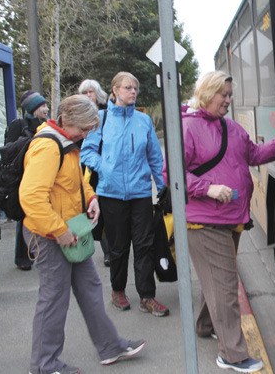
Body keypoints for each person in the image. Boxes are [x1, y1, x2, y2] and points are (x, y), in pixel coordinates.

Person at [20, 94, 145, 374]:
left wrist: (90, 198)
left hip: (69, 231)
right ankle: (43, 365)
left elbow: (72, 183)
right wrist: (60, 230)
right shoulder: (50, 147)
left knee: (89, 288)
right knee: (54, 299)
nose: (87, 135)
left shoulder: (64, 143)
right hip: (52, 235)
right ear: (68, 120)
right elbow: (31, 198)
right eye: (85, 129)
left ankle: (110, 346)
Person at [171, 71, 275, 373]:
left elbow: (255, 154)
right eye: (224, 94)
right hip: (204, 222)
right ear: (207, 93)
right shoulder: (187, 128)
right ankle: (231, 355)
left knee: (218, 281)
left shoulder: (231, 128)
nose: (228, 100)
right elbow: (174, 175)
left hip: (230, 219)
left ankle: (205, 325)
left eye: (230, 95)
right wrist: (206, 188)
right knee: (225, 288)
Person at [81, 71, 168, 316]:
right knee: (118, 247)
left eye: (135, 88)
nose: (133, 92)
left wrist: (162, 187)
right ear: (115, 90)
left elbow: (154, 156)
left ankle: (147, 296)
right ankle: (118, 290)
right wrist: (104, 167)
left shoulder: (144, 121)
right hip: (111, 193)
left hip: (140, 193)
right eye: (128, 88)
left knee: (144, 245)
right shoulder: (101, 118)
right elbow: (86, 153)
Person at [5, 90, 49, 271]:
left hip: (42, 174)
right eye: (42, 106)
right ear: (33, 108)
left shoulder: (46, 124)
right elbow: (8, 150)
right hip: (23, 176)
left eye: (46, 105)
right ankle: (23, 256)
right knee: (23, 217)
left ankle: (38, 251)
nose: (46, 109)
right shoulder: (18, 125)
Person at [77, 79, 110, 267]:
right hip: (84, 167)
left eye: (91, 92)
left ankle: (110, 249)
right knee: (91, 207)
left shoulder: (106, 113)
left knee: (105, 208)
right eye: (85, 92)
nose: (88, 95)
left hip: (102, 166)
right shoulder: (78, 114)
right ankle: (103, 248)